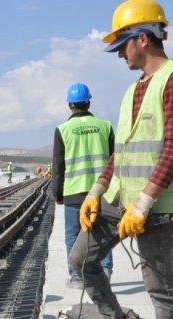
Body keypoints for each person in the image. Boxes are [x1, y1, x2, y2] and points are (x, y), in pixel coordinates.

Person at [70, 0, 173, 319]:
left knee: (160, 287)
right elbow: (123, 150)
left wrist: (144, 204)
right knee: (82, 259)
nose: (120, 55)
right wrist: (96, 192)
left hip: (155, 205)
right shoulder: (135, 88)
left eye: (122, 46)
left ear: (142, 39)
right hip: (119, 199)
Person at [52, 82, 115, 289]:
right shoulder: (105, 126)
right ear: (88, 102)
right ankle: (104, 273)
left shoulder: (63, 129)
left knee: (73, 236)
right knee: (102, 234)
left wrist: (57, 194)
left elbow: (58, 165)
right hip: (102, 192)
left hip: (73, 192)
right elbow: (116, 159)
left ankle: (77, 278)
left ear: (70, 104)